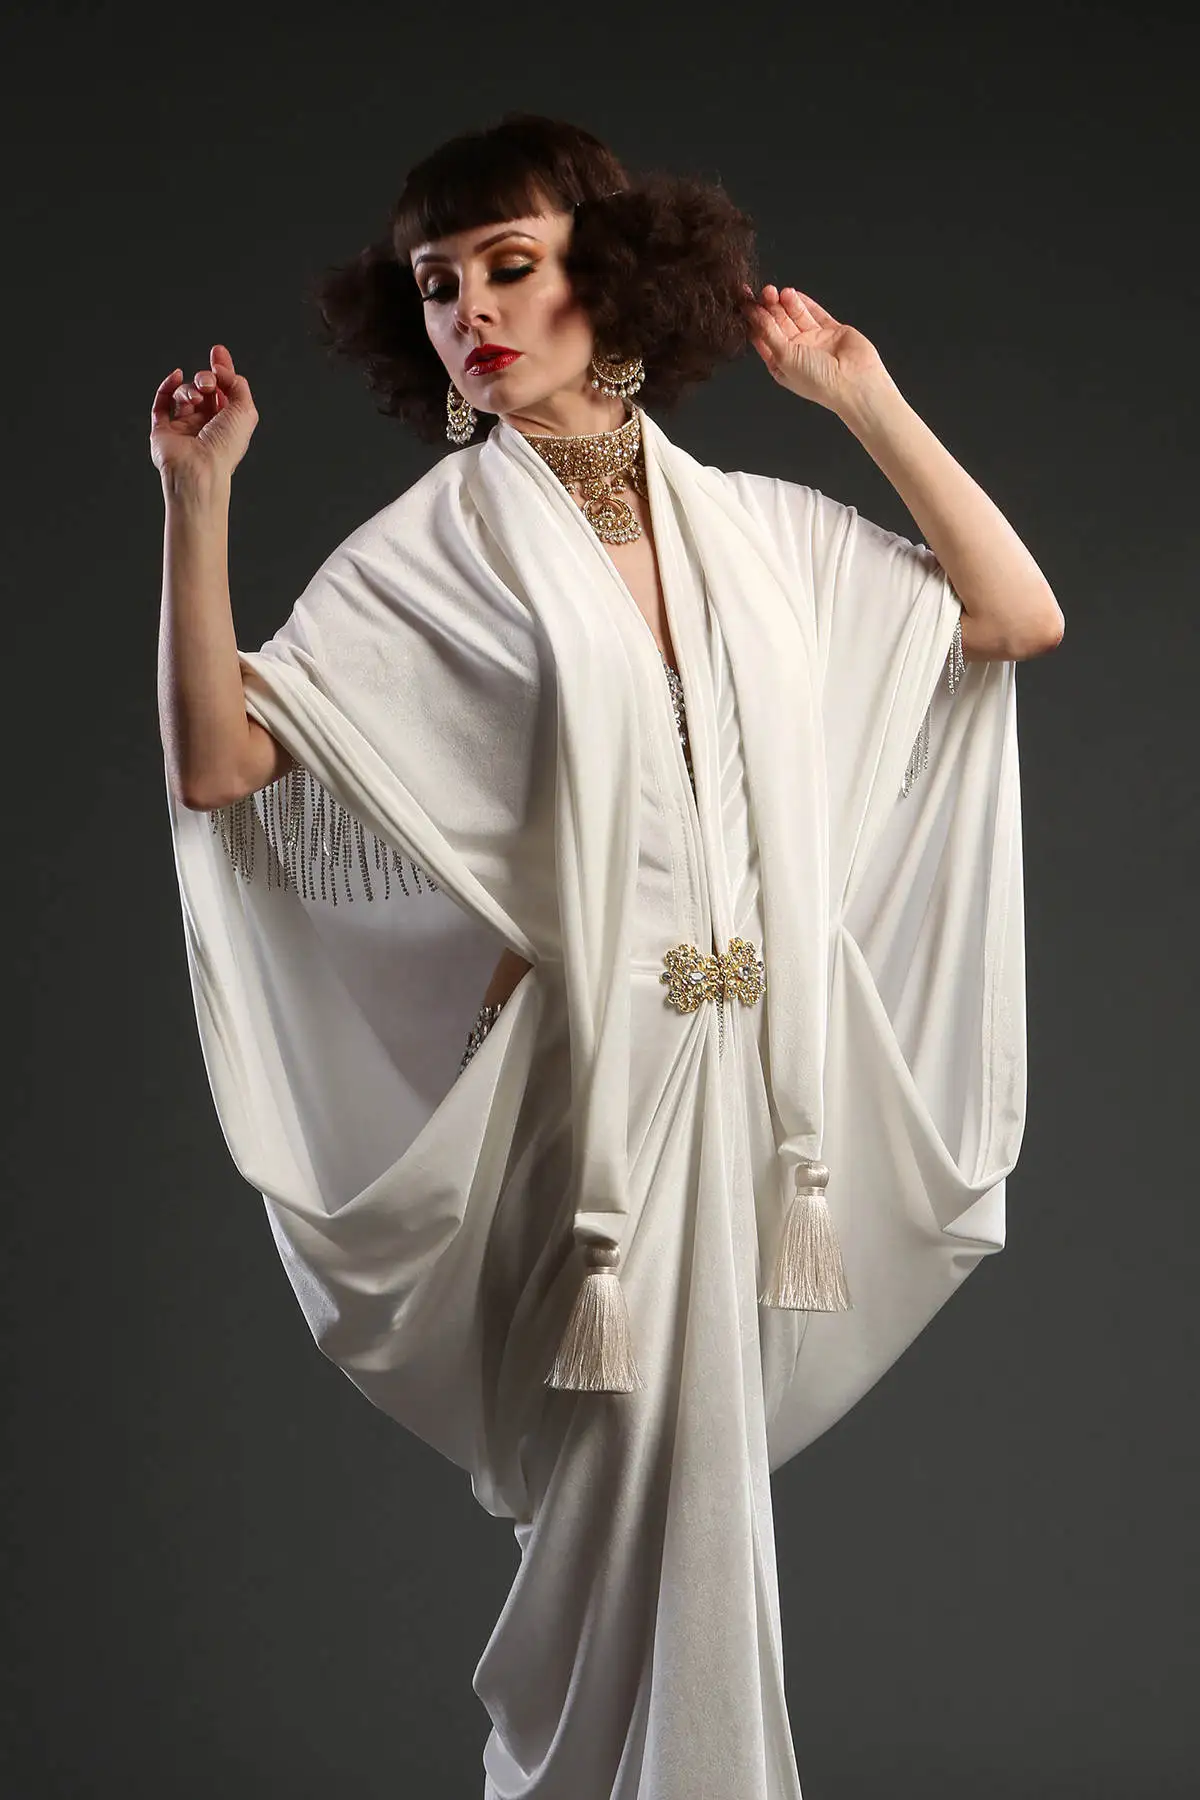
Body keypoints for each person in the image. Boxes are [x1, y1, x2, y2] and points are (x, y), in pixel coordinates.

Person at [151, 112, 1062, 1800]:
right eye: (438, 286)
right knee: (620, 1513)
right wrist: (195, 503)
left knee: (695, 1515)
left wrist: (864, 397)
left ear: (615, 271)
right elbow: (219, 765)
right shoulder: (432, 554)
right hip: (585, 1118)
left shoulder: (762, 535)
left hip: (752, 1094)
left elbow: (1014, 616)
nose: (472, 314)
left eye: (512, 266)